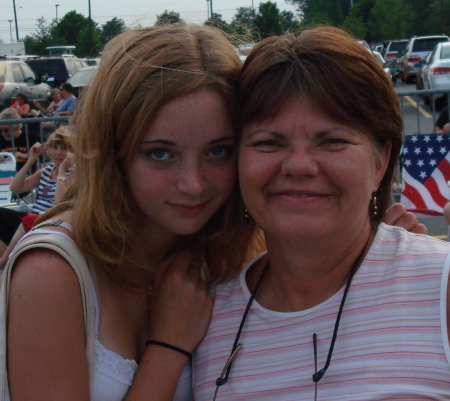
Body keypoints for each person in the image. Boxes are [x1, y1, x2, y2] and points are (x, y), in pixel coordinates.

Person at [3, 24, 426, 401]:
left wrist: (377, 246)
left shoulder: (224, 251)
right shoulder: (52, 271)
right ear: (115, 153)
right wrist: (168, 349)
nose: (194, 184)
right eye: (160, 153)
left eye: (218, 151)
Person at [192, 26, 450, 400]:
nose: (299, 166)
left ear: (381, 161)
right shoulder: (201, 317)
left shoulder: (441, 289)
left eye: (332, 141)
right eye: (268, 142)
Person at [0, 127, 73, 264]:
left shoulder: (74, 173)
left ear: (71, 152)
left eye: (64, 148)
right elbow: (15, 188)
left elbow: (60, 203)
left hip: (52, 221)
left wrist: (62, 172)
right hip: (33, 218)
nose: (58, 153)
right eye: (55, 148)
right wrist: (31, 160)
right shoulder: (46, 171)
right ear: (49, 151)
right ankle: (8, 263)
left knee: (27, 219)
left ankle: (5, 262)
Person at [0, 108, 39, 172]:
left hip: (26, 175)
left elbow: (45, 148)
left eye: (6, 130)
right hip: (4, 175)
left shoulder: (31, 136)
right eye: (1, 130)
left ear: (16, 127)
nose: (3, 133)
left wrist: (23, 155)